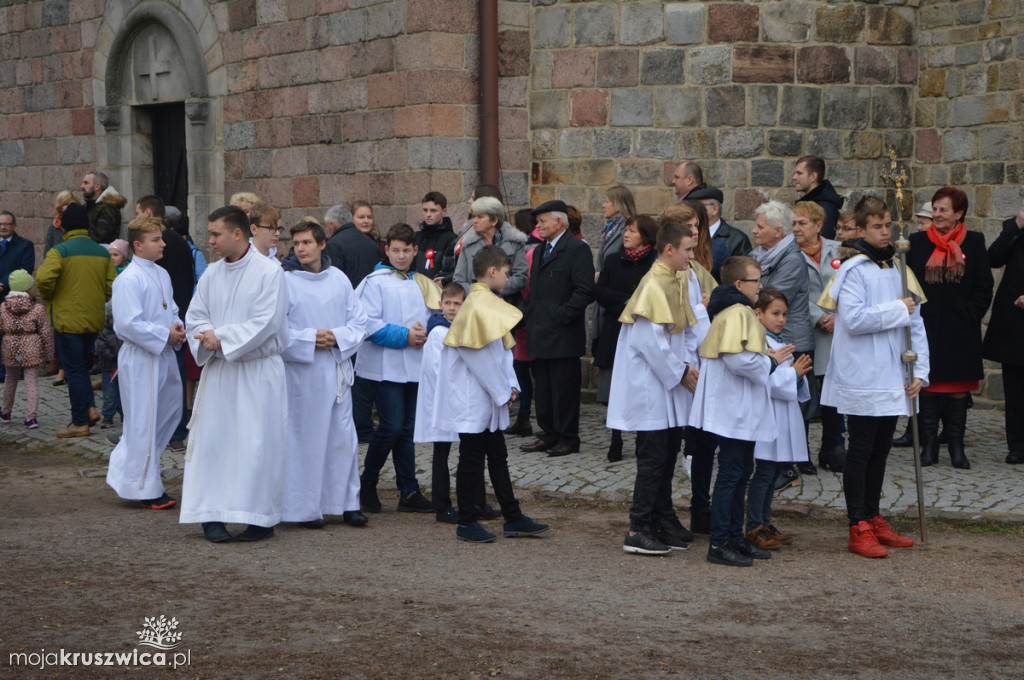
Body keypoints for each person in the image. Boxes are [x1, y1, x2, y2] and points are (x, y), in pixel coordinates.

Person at [819, 196, 927, 558]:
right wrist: (899, 307)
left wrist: (921, 373)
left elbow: (917, 325)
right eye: (878, 226)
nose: (886, 232)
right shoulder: (853, 270)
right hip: (862, 372)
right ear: (861, 230)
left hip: (893, 372)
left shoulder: (898, 268)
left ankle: (874, 516)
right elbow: (855, 319)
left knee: (881, 449)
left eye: (888, 226)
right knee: (862, 449)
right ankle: (857, 525)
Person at [181, 205, 290, 543]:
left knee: (257, 444)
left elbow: (267, 322)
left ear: (238, 234)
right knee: (215, 442)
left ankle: (259, 517)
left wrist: (221, 337)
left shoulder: (269, 273)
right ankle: (212, 515)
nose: (210, 240)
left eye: (216, 234)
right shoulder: (211, 274)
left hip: (257, 371)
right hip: (221, 371)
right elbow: (195, 316)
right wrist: (206, 335)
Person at [434, 245, 550, 543]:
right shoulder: (477, 306)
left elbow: (502, 352)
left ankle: (513, 517)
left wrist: (510, 386)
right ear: (493, 271)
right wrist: (502, 391)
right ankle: (467, 521)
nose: (508, 278)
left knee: (497, 456)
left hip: (488, 397)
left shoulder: (488, 304)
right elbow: (478, 358)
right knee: (471, 459)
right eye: (507, 273)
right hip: (474, 398)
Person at [608, 221, 706, 555]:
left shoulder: (675, 279)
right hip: (650, 385)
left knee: (665, 456)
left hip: (667, 383)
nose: (692, 256)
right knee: (652, 459)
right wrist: (681, 371)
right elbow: (649, 341)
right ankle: (637, 528)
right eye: (688, 250)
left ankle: (660, 520)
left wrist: (689, 365)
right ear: (669, 249)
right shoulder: (653, 284)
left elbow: (684, 331)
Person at [690, 256, 784, 567]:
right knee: (731, 474)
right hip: (733, 407)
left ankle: (733, 538)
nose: (761, 286)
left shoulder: (735, 311)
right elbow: (739, 360)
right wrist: (770, 361)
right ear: (739, 284)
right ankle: (719, 543)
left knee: (741, 470)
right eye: (756, 280)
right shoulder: (738, 311)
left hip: (737, 405)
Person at [280, 220, 370, 529]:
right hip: (303, 376)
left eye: (306, 242)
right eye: (296, 243)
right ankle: (307, 508)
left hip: (336, 371)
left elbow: (359, 322)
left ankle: (347, 503)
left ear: (322, 245)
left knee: (343, 440)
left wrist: (337, 337)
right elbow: (276, 331)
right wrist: (308, 338)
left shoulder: (339, 279)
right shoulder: (285, 281)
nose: (301, 249)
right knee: (306, 440)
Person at [354, 222, 439, 514]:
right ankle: (367, 481)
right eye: (396, 250)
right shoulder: (374, 282)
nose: (401, 256)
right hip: (384, 366)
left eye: (406, 250)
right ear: (387, 250)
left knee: (406, 429)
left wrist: (429, 331)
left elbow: (435, 315)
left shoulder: (422, 282)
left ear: (415, 251)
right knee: (390, 426)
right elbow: (367, 324)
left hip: (414, 366)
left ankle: (409, 490)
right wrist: (405, 336)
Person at [105, 216, 186, 510]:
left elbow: (171, 307)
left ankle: (130, 470)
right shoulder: (128, 279)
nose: (163, 243)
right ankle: (146, 487)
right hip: (141, 357)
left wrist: (177, 325)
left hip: (163, 353)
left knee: (169, 412)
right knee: (143, 420)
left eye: (161, 238)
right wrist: (164, 334)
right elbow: (127, 324)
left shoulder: (161, 274)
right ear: (138, 245)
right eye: (156, 239)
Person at [908, 187, 993, 470]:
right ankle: (929, 444)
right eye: (934, 209)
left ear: (959, 213)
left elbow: (984, 285)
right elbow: (907, 282)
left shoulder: (974, 241)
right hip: (927, 327)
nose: (937, 214)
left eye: (943, 209)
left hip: (960, 329)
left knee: (957, 387)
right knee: (928, 386)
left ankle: (956, 445)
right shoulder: (918, 242)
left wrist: (971, 314)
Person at [519, 200, 595, 457]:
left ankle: (567, 438)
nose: (538, 226)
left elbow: (584, 290)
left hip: (563, 334)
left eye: (542, 221)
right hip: (540, 331)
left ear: (559, 221)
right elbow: (536, 291)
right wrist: (529, 315)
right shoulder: (541, 250)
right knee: (544, 389)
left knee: (564, 390)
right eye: (537, 222)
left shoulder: (576, 249)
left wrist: (562, 315)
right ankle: (549, 433)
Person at [36, 202, 116, 438]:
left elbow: (43, 279)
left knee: (74, 371)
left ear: (65, 228)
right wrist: (97, 298)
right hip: (93, 319)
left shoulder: (60, 251)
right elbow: (112, 286)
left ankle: (80, 421)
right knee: (81, 366)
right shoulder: (102, 252)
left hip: (67, 319)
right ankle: (89, 409)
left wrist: (52, 297)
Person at [751, 200, 816, 482]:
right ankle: (773, 461)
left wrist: (747, 286)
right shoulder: (762, 254)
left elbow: (768, 297)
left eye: (760, 226)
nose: (754, 231)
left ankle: (788, 465)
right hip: (772, 339)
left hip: (790, 339)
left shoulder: (791, 259)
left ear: (778, 231)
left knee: (791, 406)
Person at [746, 288, 813, 550]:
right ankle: (754, 526)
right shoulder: (760, 342)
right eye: (775, 313)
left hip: (780, 414)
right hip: (767, 414)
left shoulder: (778, 340)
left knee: (772, 471)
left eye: (784, 314)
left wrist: (797, 375)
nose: (781, 319)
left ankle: (765, 521)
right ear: (758, 313)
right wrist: (793, 374)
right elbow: (767, 381)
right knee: (763, 473)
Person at [594, 215, 658, 462]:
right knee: (615, 387)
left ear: (646, 235)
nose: (626, 234)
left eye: (632, 231)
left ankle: (644, 439)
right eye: (626, 230)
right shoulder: (613, 259)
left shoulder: (655, 262)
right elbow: (600, 291)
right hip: (616, 326)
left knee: (642, 385)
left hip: (643, 329)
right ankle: (616, 439)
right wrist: (625, 302)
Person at [792, 201, 845, 472]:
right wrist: (818, 316)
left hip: (836, 331)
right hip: (806, 329)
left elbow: (847, 286)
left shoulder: (837, 250)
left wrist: (839, 316)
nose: (796, 228)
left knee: (833, 394)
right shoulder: (789, 254)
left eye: (802, 223)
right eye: (794, 223)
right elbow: (791, 291)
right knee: (803, 393)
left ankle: (833, 447)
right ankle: (800, 452)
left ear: (818, 225)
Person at [415, 282, 466, 524]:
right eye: (448, 303)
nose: (452, 308)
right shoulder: (438, 332)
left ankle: (471, 500)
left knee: (465, 450)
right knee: (441, 453)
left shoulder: (461, 328)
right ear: (440, 304)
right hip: (443, 399)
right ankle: (442, 505)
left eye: (457, 304)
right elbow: (438, 370)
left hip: (456, 398)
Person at [983, 207, 1024, 464]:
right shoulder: (1014, 228)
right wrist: (1016, 226)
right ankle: (1017, 444)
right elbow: (994, 258)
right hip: (1016, 323)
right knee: (1016, 387)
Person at [0, 270, 54, 428]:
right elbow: (45, 333)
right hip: (31, 347)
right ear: (26, 289)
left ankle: (5, 412)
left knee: (10, 380)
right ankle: (31, 417)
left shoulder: (3, 307)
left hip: (11, 347)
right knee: (31, 382)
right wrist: (48, 354)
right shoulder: (37, 308)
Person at [452, 197, 528, 300]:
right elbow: (459, 280)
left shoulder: (514, 242)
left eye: (480, 217)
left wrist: (496, 291)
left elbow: (521, 277)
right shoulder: (468, 244)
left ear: (494, 221)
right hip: (476, 304)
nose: (475, 221)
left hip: (507, 304)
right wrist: (481, 293)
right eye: (474, 216)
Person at [506, 208, 539, 437]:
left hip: (523, 315)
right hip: (529, 317)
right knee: (528, 370)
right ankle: (524, 416)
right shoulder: (537, 247)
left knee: (522, 369)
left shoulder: (527, 251)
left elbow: (522, 286)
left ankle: (525, 416)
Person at [323, 204, 380, 288]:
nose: (327, 230)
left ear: (332, 225)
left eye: (326, 226)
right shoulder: (371, 242)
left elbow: (334, 279)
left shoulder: (333, 244)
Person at [688, 186, 752, 257]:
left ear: (715, 209)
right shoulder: (691, 234)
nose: (694, 210)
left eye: (699, 206)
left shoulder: (738, 239)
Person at [792, 156, 845, 240]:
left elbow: (824, 242)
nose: (794, 177)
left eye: (799, 173)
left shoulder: (825, 208)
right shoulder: (811, 203)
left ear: (813, 176)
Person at [413, 192, 458, 283]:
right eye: (425, 210)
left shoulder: (451, 239)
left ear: (444, 211)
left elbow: (451, 271)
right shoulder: (416, 237)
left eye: (433, 211)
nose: (428, 214)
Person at [95, 303, 122, 428]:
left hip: (121, 367)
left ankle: (124, 414)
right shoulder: (103, 332)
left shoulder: (122, 330)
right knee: (109, 393)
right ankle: (107, 416)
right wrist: (111, 355)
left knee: (123, 393)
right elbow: (100, 347)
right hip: (108, 367)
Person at [80, 170, 127, 244]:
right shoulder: (87, 207)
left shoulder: (109, 208)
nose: (82, 186)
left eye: (86, 183)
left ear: (97, 186)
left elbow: (101, 238)